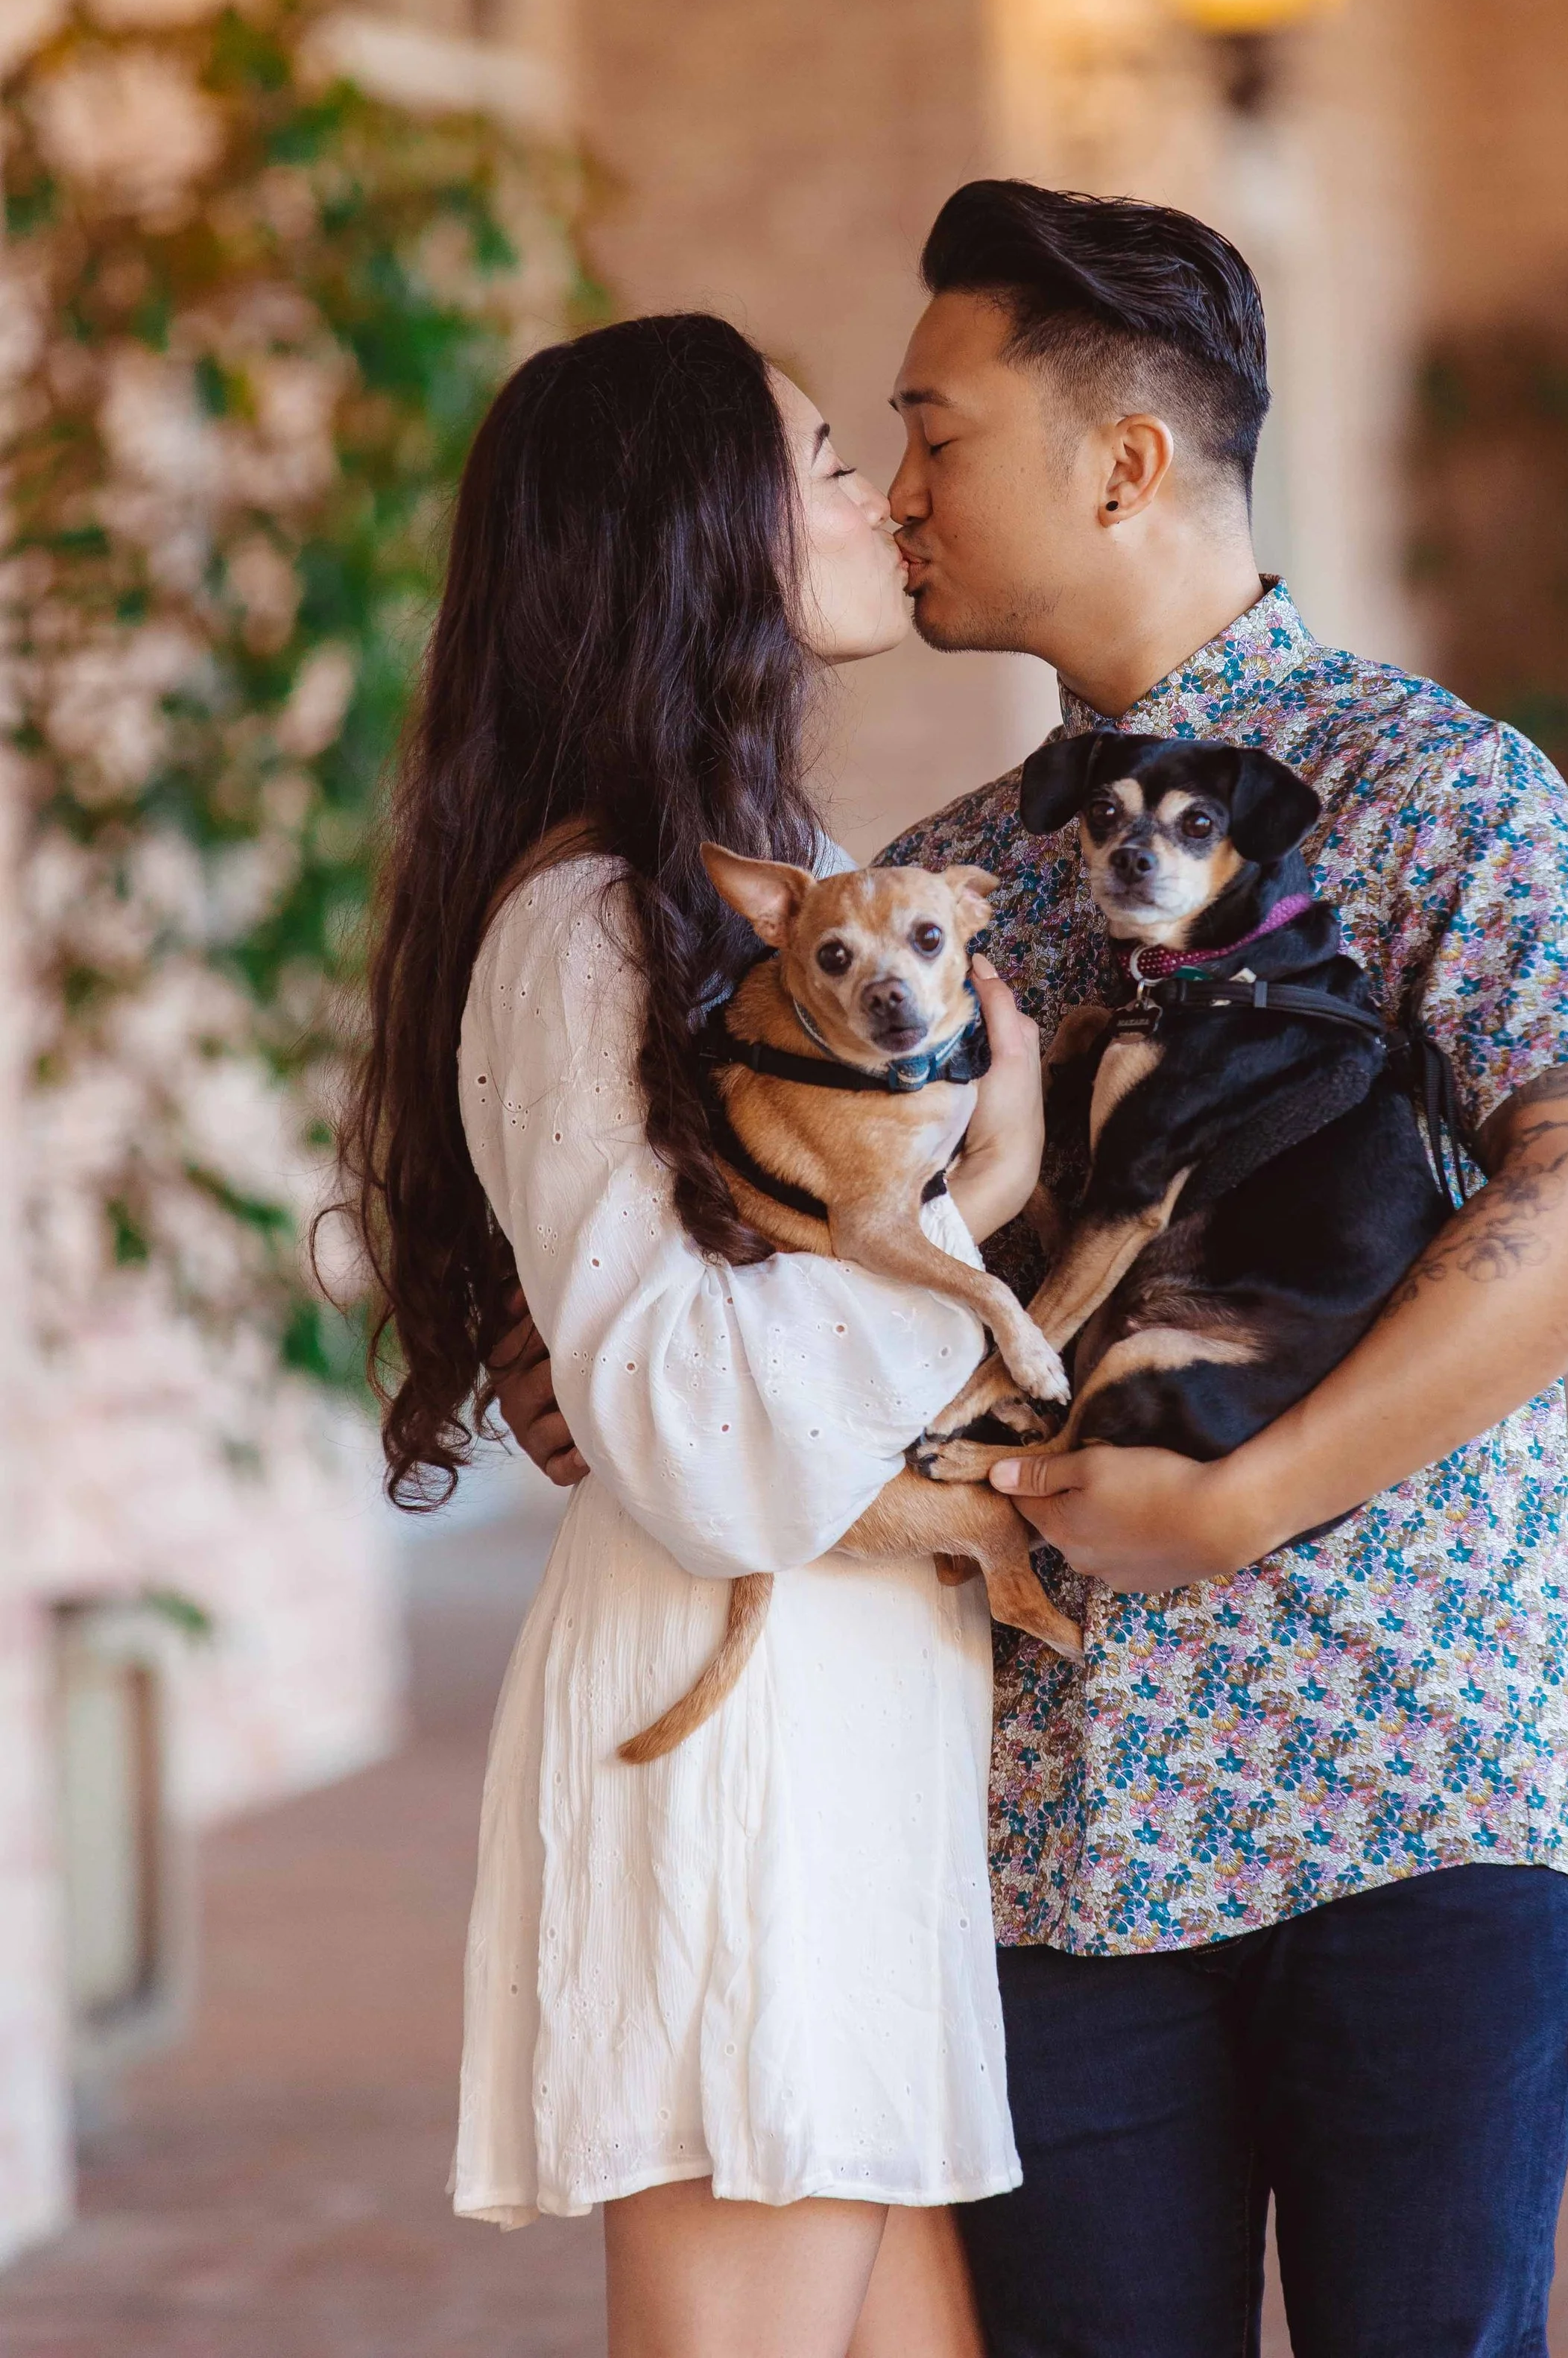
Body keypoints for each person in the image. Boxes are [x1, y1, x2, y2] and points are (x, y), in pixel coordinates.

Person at [503, 185, 1568, 2358]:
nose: (898, 492)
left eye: (933, 433)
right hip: (1047, 1843)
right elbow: (735, 1264)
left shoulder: (1431, 786)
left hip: (1406, 1784)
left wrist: (1241, 1502)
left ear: (1124, 463)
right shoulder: (943, 885)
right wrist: (591, 1358)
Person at [340, 313, 1051, 2358]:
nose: (875, 499)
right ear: (697, 533)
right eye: (820, 462)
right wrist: (973, 1194)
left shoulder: (779, 892)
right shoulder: (589, 921)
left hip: (843, 1699)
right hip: (733, 1717)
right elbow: (699, 1444)